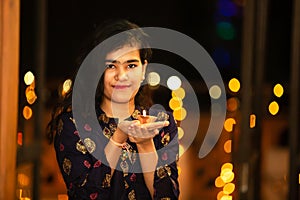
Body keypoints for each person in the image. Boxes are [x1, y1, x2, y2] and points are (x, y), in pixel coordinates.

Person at [46, 18, 180, 200]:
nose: (122, 75)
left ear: (143, 69)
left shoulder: (160, 123)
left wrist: (145, 144)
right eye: (111, 66)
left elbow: (167, 197)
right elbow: (84, 196)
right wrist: (118, 138)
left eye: (131, 65)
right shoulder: (73, 125)